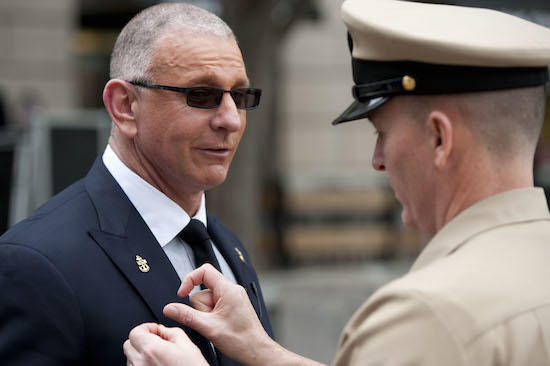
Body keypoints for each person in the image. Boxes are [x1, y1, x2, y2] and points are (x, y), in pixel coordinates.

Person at [123, 0, 550, 365]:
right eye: (200, 95)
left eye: (382, 133)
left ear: (440, 137)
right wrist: (262, 351)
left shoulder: (428, 316)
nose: (377, 160)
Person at [0, 3, 273, 365]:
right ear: (125, 106)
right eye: (201, 95)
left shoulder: (226, 245)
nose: (230, 120)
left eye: (239, 96)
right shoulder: (36, 262)